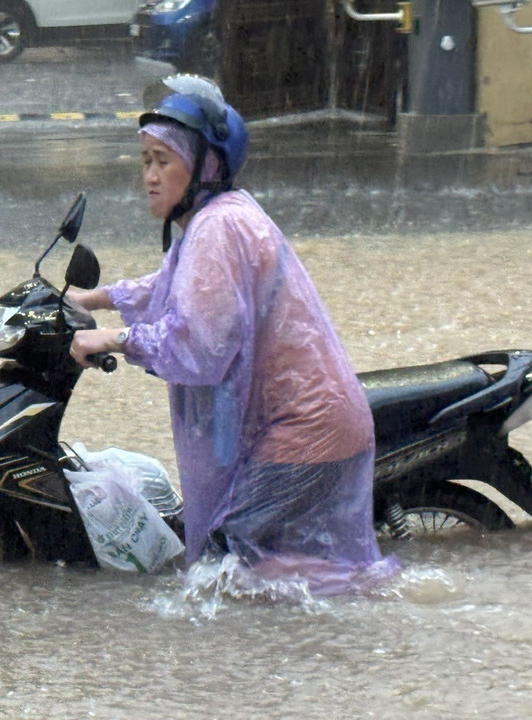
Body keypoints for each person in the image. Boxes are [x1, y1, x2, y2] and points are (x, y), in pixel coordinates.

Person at [67, 75, 399, 596]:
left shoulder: (218, 227)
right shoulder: (215, 221)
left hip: (303, 428)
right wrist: (93, 299)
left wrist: (114, 339)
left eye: (163, 161)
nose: (149, 177)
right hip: (307, 424)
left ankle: (378, 599)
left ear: (205, 167)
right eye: (145, 161)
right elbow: (177, 287)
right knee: (246, 571)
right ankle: (325, 624)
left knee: (226, 565)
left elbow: (199, 346)